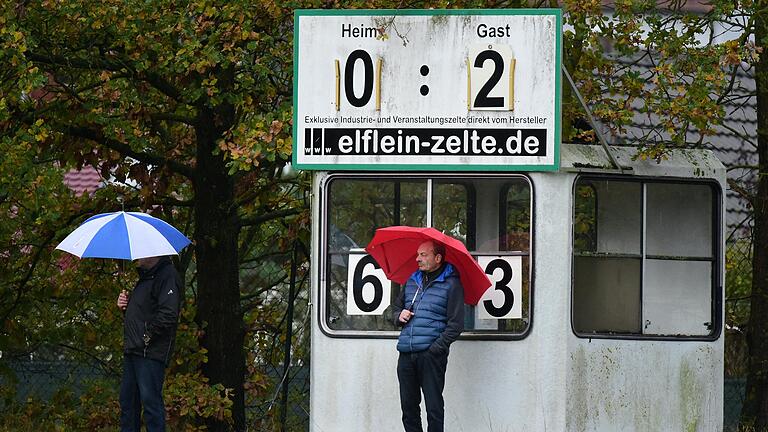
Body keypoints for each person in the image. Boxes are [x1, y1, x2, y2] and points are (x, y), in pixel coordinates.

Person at [391, 240, 464, 432]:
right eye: (418, 255)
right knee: (408, 408)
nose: (417, 259)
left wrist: (435, 349)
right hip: (406, 353)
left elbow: (456, 325)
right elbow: (394, 310)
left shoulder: (452, 284)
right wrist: (399, 315)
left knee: (433, 408)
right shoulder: (412, 281)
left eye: (423, 255)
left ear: (438, 258)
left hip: (431, 356)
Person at [116, 256, 181, 432]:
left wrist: (147, 337)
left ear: (153, 254)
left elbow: (168, 314)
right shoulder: (146, 278)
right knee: (128, 405)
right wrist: (126, 307)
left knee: (151, 406)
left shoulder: (167, 276)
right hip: (134, 350)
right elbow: (143, 314)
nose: (136, 256)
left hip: (150, 352)